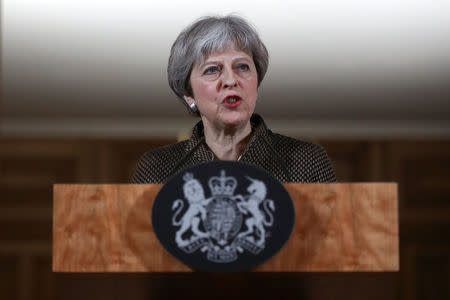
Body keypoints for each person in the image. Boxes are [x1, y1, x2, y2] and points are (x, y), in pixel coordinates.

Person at [131, 15, 336, 184]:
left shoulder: (307, 161)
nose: (231, 80)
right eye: (212, 70)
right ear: (189, 95)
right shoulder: (157, 168)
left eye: (242, 66)